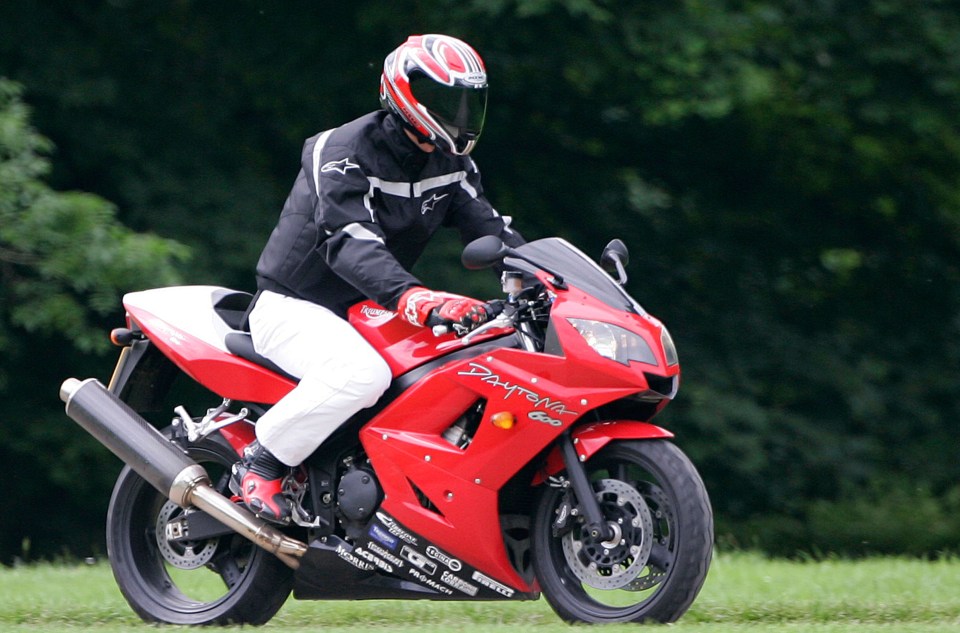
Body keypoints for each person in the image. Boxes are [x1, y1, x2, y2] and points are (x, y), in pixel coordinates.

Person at [238, 34, 525, 522]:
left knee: (473, 360)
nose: (460, 113)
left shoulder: (451, 164)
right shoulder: (341, 149)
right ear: (406, 94)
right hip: (295, 306)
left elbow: (494, 233)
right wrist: (415, 297)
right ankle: (261, 463)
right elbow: (349, 240)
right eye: (446, 100)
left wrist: (543, 281)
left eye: (468, 102)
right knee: (361, 375)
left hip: (369, 309)